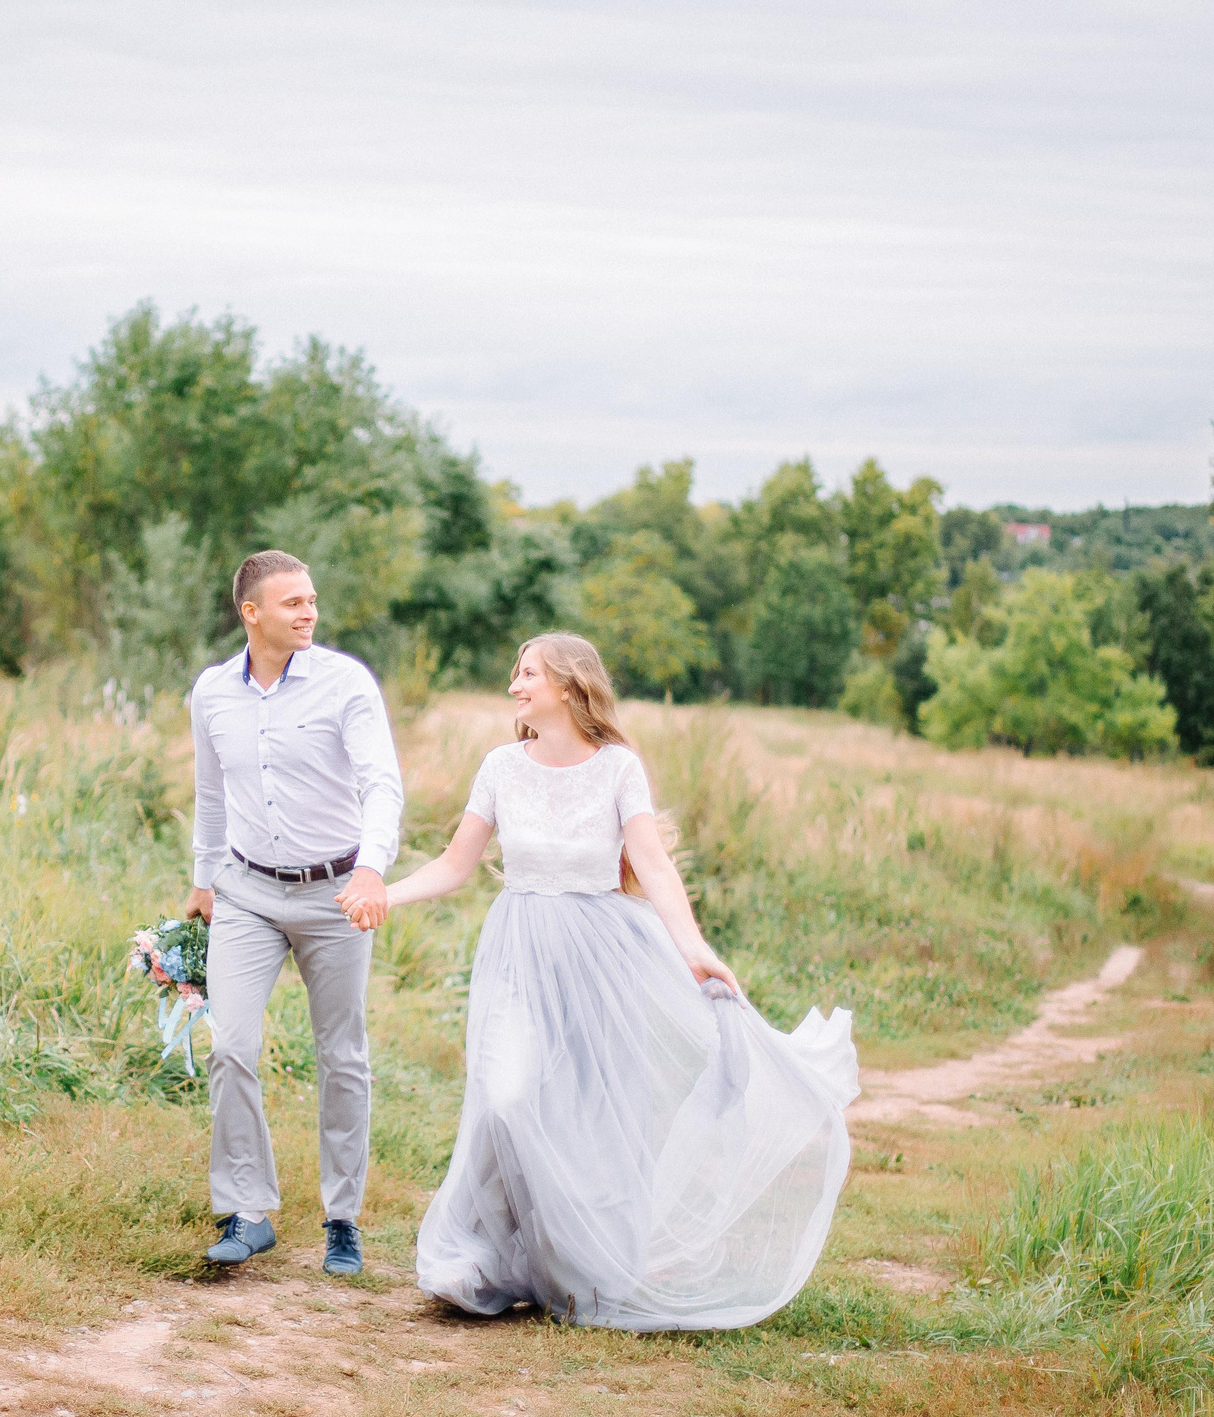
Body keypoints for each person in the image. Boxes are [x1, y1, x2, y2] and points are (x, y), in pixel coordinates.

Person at [384, 632, 858, 1329]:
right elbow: (456, 865)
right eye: (514, 672)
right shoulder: (499, 767)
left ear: (571, 687)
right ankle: (483, 1256)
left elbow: (654, 866)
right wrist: (382, 897)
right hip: (519, 953)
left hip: (602, 960)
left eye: (528, 673)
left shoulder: (617, 769)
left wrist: (693, 947)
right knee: (507, 1097)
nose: (514, 684)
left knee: (587, 1114)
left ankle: (577, 1266)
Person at [183, 550, 402, 1274]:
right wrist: (202, 879)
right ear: (252, 614)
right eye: (293, 603)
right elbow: (210, 795)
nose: (309, 612)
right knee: (231, 1045)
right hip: (246, 889)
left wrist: (372, 867)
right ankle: (248, 1210)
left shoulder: (345, 684)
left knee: (342, 1054)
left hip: (336, 891)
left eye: (312, 600)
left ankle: (342, 1217)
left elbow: (381, 784)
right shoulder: (213, 693)